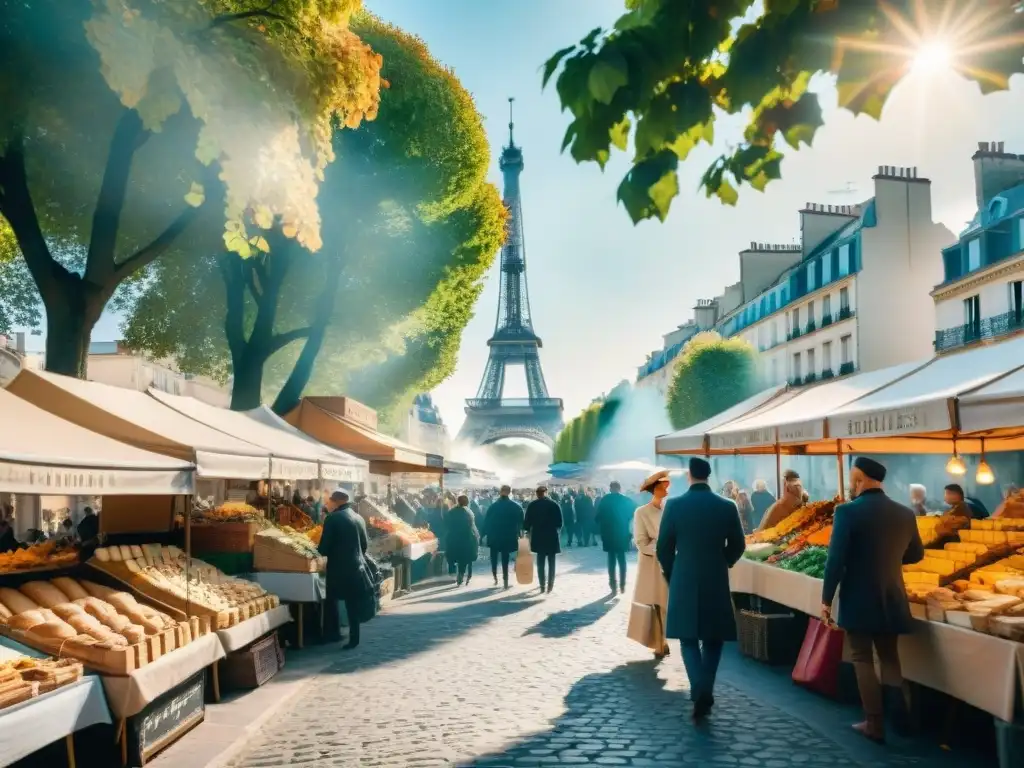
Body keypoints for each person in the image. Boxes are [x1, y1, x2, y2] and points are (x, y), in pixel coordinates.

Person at [821, 457, 924, 743]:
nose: (852, 486)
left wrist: (826, 599)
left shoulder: (847, 512)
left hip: (859, 596)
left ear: (861, 479)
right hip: (892, 595)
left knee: (861, 656)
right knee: (890, 655)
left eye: (854, 480)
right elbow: (916, 554)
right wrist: (888, 558)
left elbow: (835, 561)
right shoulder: (905, 513)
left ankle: (874, 723)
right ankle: (899, 714)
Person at [657, 457, 745, 721]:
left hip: (684, 576)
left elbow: (663, 548)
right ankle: (704, 688)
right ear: (709, 476)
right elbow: (739, 544)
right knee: (713, 639)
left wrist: (674, 572)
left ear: (689, 475)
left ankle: (699, 689)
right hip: (715, 576)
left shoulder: (674, 505)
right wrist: (724, 560)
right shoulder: (727, 506)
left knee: (688, 638)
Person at [318, 490, 375, 650]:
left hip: (338, 568)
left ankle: (332, 634)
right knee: (352, 604)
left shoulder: (333, 518)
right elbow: (364, 545)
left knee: (330, 600)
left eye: (331, 501)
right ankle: (354, 638)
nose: (329, 504)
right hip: (357, 566)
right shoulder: (359, 518)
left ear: (336, 501)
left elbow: (323, 548)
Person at [634, 470, 671, 659]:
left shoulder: (670, 509)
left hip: (672, 560)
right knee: (657, 603)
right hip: (653, 564)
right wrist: (661, 548)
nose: (667, 488)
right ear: (655, 489)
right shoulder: (641, 512)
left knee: (667, 603)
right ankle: (659, 642)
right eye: (663, 485)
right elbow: (640, 542)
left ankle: (663, 640)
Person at [596, 481, 635, 595]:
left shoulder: (605, 500)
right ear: (619, 488)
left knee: (611, 559)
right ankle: (622, 584)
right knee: (622, 559)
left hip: (608, 534)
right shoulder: (626, 500)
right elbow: (634, 513)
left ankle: (613, 585)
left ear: (610, 488)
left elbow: (597, 518)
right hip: (622, 533)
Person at [524, 486, 563, 593]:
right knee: (551, 562)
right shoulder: (554, 504)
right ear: (546, 492)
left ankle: (542, 585)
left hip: (538, 537)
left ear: (537, 494)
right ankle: (550, 585)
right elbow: (560, 522)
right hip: (551, 536)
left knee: (540, 562)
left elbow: (527, 523)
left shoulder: (532, 505)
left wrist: (528, 532)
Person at [484, 486, 524, 589]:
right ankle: (505, 579)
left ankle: (495, 576)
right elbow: (521, 522)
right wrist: (520, 534)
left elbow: (486, 522)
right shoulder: (516, 506)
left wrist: (484, 534)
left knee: (494, 556)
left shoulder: (493, 506)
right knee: (505, 557)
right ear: (510, 492)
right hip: (509, 535)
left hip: (494, 536)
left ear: (500, 492)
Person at [445, 495, 480, 586]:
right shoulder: (468, 512)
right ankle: (460, 574)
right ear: (467, 502)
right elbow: (472, 526)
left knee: (452, 555)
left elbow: (447, 524)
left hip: (453, 537)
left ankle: (452, 572)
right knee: (463, 558)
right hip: (466, 537)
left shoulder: (451, 511)